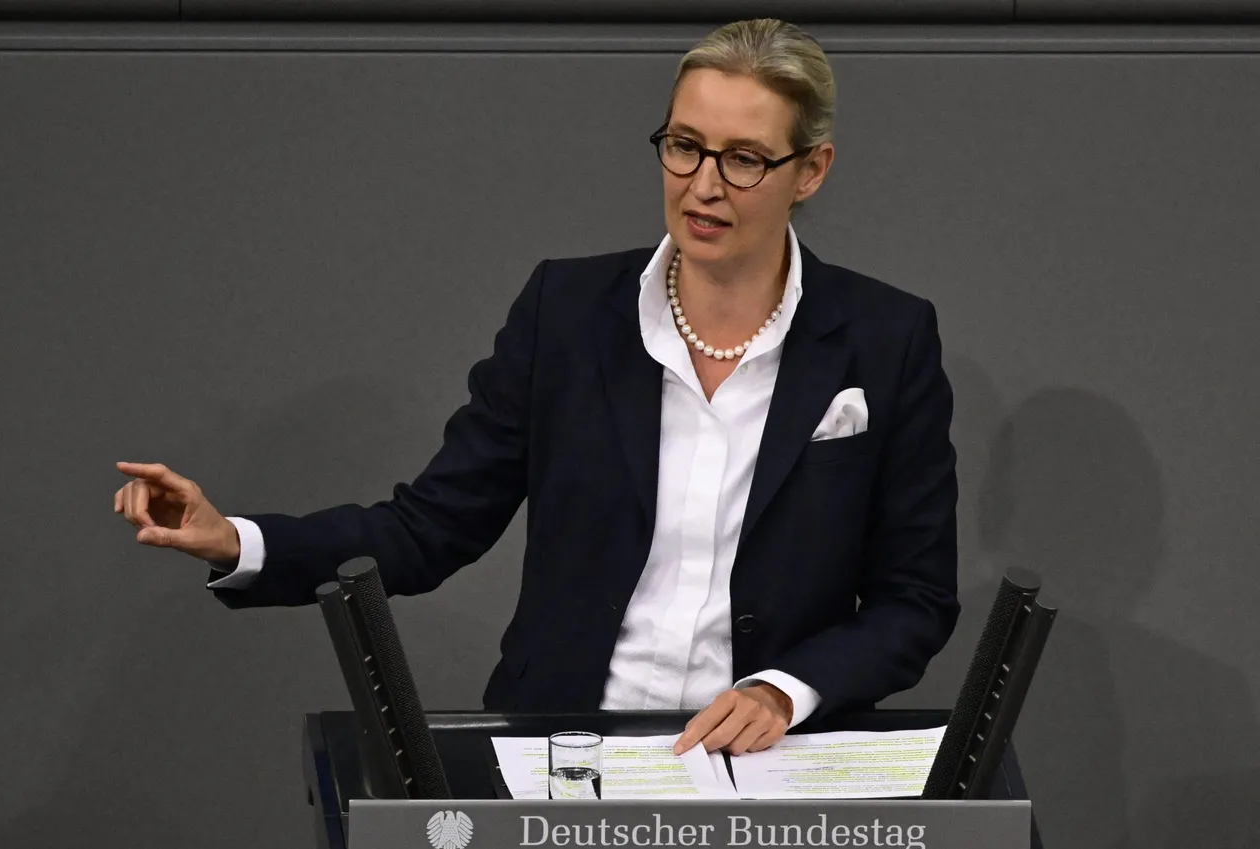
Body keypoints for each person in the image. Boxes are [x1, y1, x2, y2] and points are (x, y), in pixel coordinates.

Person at [113, 18, 959, 758]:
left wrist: (784, 689)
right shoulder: (567, 313)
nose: (703, 184)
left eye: (743, 159)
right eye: (684, 145)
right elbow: (428, 527)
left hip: (770, 765)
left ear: (810, 170)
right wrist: (237, 541)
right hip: (566, 748)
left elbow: (914, 598)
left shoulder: (886, 340)